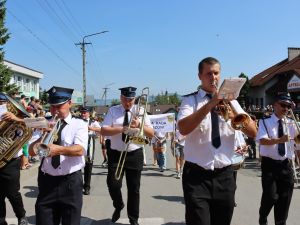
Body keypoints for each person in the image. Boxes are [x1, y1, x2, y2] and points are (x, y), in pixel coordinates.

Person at [177, 57, 257, 225]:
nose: (213, 77)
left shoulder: (232, 102)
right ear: (200, 76)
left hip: (225, 176)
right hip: (196, 176)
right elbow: (183, 128)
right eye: (208, 74)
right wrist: (209, 105)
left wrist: (233, 109)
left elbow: (253, 132)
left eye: (216, 73)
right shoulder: (190, 101)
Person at [29, 86, 88, 225]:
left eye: (59, 106)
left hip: (70, 182)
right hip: (46, 182)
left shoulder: (79, 124)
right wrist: (42, 136)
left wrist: (59, 150)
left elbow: (80, 150)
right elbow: (32, 151)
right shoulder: (45, 122)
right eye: (52, 107)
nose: (55, 111)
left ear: (69, 103)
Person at [101, 86, 154, 225]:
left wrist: (139, 125)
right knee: (113, 184)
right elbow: (104, 130)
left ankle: (133, 219)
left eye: (131, 99)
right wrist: (122, 129)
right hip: (116, 154)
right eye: (125, 99)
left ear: (134, 99)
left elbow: (151, 133)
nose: (128, 102)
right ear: (121, 98)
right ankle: (118, 205)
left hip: (134, 153)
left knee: (134, 189)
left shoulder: (140, 111)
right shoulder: (113, 110)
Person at [256, 93, 296, 225]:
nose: (286, 108)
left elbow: (298, 145)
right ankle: (263, 216)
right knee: (271, 196)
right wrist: (279, 140)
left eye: (288, 106)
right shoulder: (264, 121)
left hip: (286, 164)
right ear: (275, 105)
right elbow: (262, 140)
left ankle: (280, 222)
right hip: (270, 165)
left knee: (285, 199)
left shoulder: (292, 123)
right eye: (283, 105)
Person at [0, 92, 29, 225]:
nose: (1, 106)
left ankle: (21, 216)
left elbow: (37, 123)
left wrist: (16, 119)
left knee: (12, 193)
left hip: (11, 161)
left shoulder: (18, 119)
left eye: (3, 103)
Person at [80, 107, 101, 195]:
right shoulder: (77, 121)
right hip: (79, 145)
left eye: (85, 112)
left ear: (88, 113)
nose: (83, 114)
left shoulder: (93, 122)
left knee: (88, 167)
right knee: (77, 167)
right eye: (82, 113)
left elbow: (101, 130)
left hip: (89, 145)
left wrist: (92, 129)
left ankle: (87, 187)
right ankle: (78, 186)